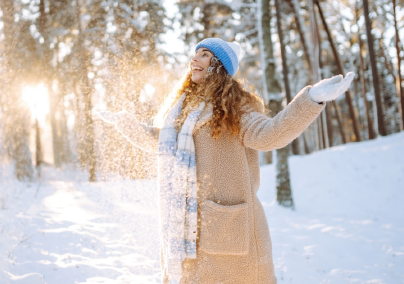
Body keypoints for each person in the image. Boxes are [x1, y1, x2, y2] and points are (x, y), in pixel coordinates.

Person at [99, 38, 354, 284]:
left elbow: (270, 135)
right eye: (196, 53)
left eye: (205, 54)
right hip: (189, 232)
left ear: (218, 65)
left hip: (229, 231)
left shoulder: (237, 107)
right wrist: (125, 124)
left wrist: (311, 100)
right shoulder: (184, 108)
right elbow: (162, 142)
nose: (195, 58)